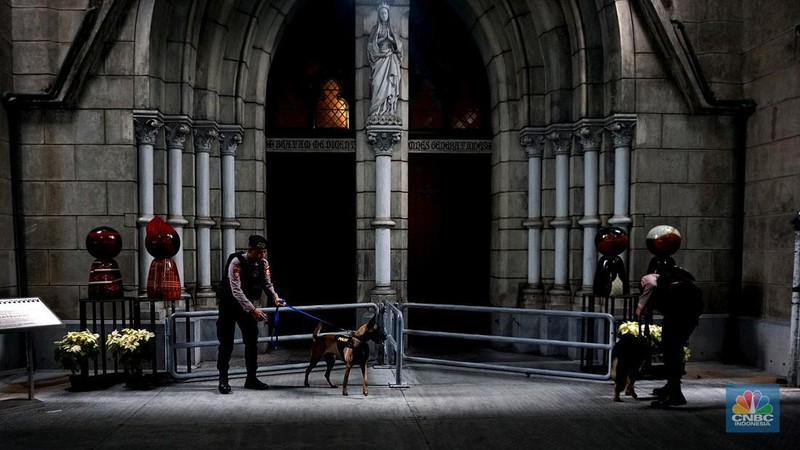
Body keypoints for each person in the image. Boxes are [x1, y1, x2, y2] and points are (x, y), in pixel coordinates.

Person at [216, 234, 285, 394]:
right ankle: (223, 379)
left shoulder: (263, 263)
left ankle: (251, 378)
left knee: (252, 340)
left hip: (246, 308)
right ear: (251, 250)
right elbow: (236, 291)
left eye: (264, 252)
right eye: (259, 252)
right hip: (229, 305)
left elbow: (268, 283)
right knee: (226, 343)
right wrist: (253, 309)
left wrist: (275, 298)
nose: (262, 255)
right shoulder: (236, 262)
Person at [636, 265, 703, 408]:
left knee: (672, 351)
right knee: (672, 349)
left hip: (681, 315)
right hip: (683, 314)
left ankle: (675, 394)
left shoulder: (649, 281)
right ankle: (671, 387)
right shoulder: (669, 283)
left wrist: (639, 311)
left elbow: (644, 301)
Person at [367, 2, 402, 117]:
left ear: (388, 14)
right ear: (379, 15)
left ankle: (389, 110)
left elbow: (399, 46)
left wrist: (390, 39)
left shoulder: (392, 28)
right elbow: (370, 47)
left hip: (390, 58)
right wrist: (381, 40)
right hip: (379, 59)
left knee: (390, 84)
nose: (384, 15)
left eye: (385, 12)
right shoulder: (375, 29)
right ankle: (376, 111)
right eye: (382, 13)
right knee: (376, 83)